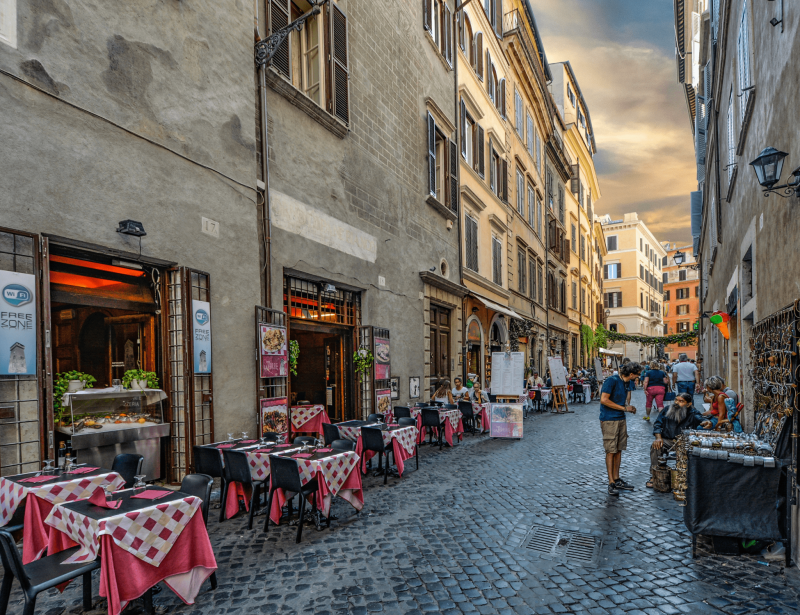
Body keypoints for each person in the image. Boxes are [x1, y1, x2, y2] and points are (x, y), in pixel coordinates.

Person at [647, 393, 703, 488]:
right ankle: (654, 475)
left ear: (688, 404)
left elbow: (701, 419)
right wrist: (658, 438)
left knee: (692, 450)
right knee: (655, 446)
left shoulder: (693, 412)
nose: (677, 403)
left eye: (681, 401)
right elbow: (657, 424)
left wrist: (707, 422)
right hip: (668, 440)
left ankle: (684, 477)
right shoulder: (667, 409)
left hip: (685, 442)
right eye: (676, 400)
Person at [599, 362, 638, 496]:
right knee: (611, 450)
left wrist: (628, 407)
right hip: (610, 419)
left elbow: (621, 399)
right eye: (637, 375)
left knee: (619, 449)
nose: (638, 377)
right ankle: (611, 482)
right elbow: (604, 400)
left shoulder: (626, 383)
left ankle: (616, 478)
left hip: (620, 418)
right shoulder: (611, 380)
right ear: (632, 374)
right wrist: (624, 408)